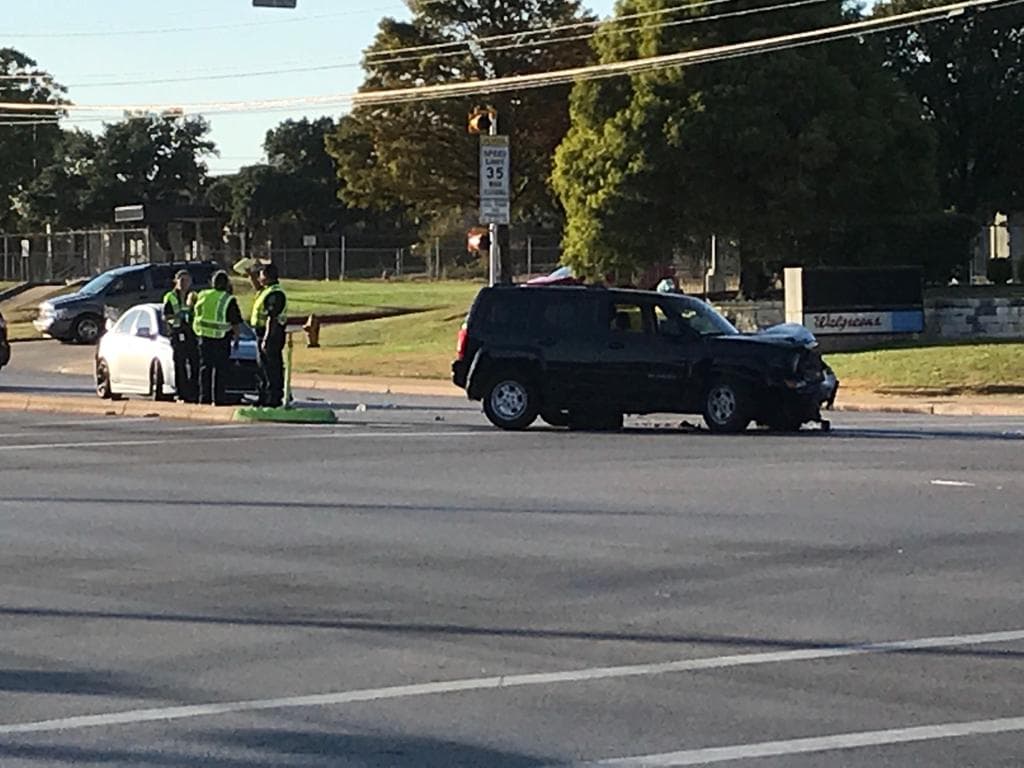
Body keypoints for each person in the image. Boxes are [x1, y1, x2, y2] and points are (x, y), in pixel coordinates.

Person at [191, 270, 242, 406]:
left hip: (203, 337)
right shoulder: (228, 299)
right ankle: (218, 399)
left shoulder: (203, 295)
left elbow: (194, 311)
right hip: (221, 338)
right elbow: (235, 321)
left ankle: (204, 398)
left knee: (205, 368)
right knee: (220, 370)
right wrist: (237, 338)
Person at [248, 263, 288, 407]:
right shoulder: (266, 290)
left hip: (272, 335)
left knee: (272, 367)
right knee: (262, 367)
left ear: (268, 276)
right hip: (261, 333)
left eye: (261, 275)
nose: (259, 277)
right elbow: (256, 287)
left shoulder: (275, 293)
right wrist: (250, 273)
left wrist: (266, 339)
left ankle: (273, 398)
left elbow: (273, 318)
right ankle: (263, 397)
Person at [162, 270, 199, 403]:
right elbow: (166, 316)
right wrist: (179, 316)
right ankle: (181, 392)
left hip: (191, 333)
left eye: (187, 281)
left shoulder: (193, 296)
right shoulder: (170, 297)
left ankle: (194, 391)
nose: (184, 284)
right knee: (180, 363)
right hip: (177, 333)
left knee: (195, 362)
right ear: (175, 281)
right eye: (181, 281)